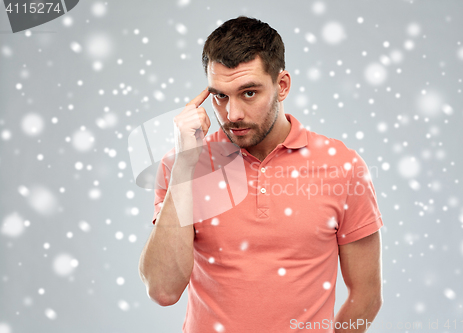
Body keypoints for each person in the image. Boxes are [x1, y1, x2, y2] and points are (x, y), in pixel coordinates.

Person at [139, 16, 384, 333]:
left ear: (281, 86)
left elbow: (367, 296)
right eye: (220, 96)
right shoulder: (181, 166)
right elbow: (163, 290)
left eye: (249, 93)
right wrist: (187, 164)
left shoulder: (343, 166)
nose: (233, 114)